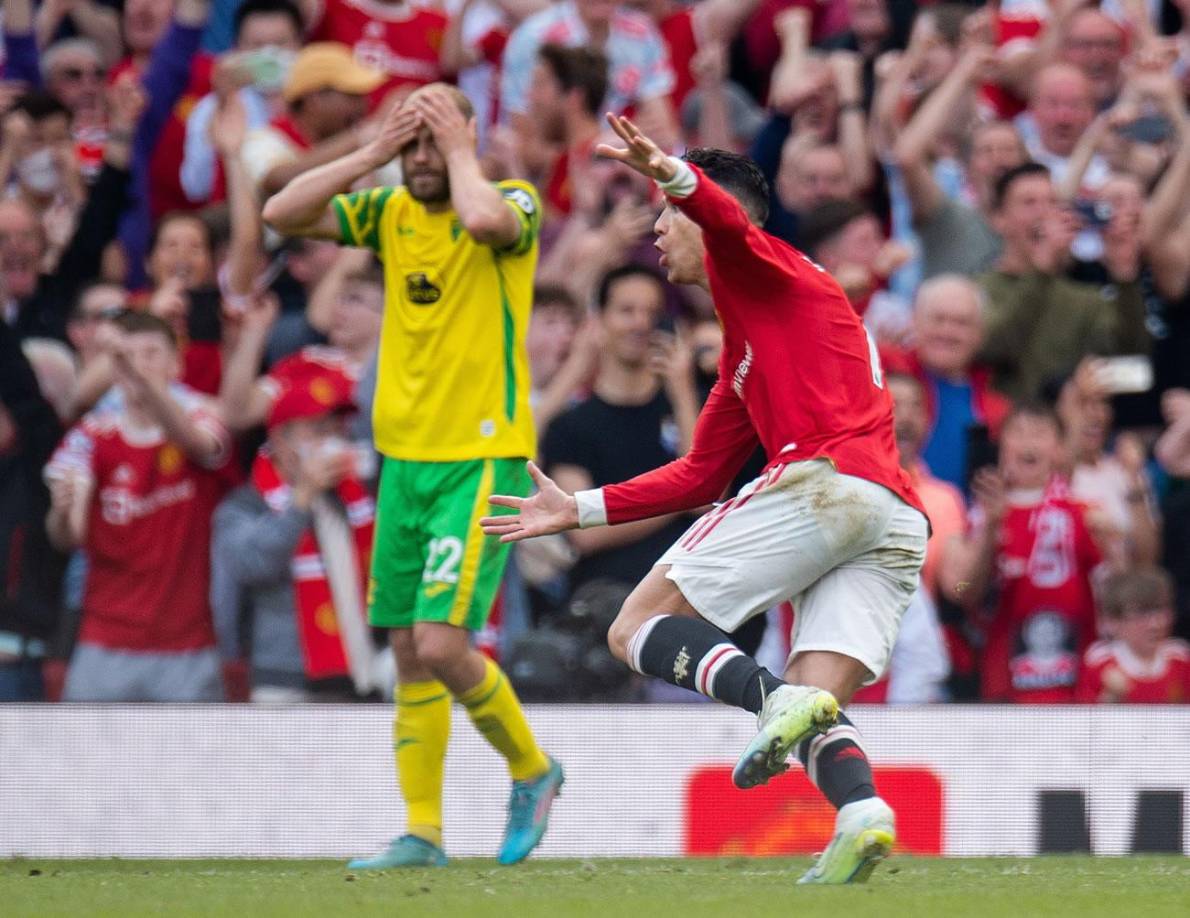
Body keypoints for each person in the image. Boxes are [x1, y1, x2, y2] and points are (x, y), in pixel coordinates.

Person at [481, 118, 928, 885]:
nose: (656, 229)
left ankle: (772, 697)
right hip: (889, 517)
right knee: (818, 703)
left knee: (636, 625)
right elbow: (697, 477)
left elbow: (726, 222)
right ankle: (862, 813)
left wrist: (680, 177)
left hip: (825, 481)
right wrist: (577, 509)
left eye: (666, 212)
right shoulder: (747, 346)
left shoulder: (769, 266)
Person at [263, 83, 562, 869]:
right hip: (404, 459)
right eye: (414, 142)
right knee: (404, 645)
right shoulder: (389, 213)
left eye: (436, 140)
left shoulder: (513, 202)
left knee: (440, 641)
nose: (423, 157)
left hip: (480, 456)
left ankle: (533, 769)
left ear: (467, 137)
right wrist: (370, 153)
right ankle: (423, 832)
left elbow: (485, 219)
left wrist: (460, 146)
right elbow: (281, 213)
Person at [44, 311, 232, 702]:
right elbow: (68, 536)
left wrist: (145, 382)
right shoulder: (90, 436)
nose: (137, 364)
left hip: (189, 648)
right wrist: (61, 512)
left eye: (151, 353)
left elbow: (196, 444)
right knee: (88, 763)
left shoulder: (204, 415)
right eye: (126, 356)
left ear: (176, 364)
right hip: (104, 644)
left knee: (195, 764)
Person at [211, 377, 374, 702]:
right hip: (281, 679)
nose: (330, 440)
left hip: (359, 675)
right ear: (280, 441)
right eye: (316, 429)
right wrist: (301, 499)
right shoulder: (245, 505)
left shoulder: (355, 501)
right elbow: (253, 564)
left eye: (335, 428)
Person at [541, 264, 698, 594]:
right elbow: (584, 532)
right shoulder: (570, 426)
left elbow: (707, 498)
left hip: (687, 590)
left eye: (652, 312)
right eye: (627, 311)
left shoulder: (683, 405)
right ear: (598, 321)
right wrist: (678, 496)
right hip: (604, 601)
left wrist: (683, 394)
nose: (641, 323)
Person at [952, 403, 1104, 704]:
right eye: (1018, 433)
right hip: (1003, 681)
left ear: (1060, 450)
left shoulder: (1086, 513)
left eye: (1039, 433)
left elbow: (1117, 585)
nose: (1028, 443)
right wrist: (990, 532)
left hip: (1075, 678)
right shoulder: (978, 516)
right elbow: (963, 590)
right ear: (1001, 447)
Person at [880, 275, 1011, 492]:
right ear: (914, 321)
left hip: (959, 522)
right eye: (938, 319)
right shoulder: (881, 372)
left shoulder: (998, 410)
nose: (947, 331)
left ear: (980, 334)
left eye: (961, 323)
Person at [1075, 566, 1190, 704]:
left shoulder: (1181, 659)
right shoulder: (1100, 663)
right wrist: (1110, 697)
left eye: (1160, 611)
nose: (1155, 624)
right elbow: (1083, 721)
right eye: (1141, 614)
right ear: (1114, 622)